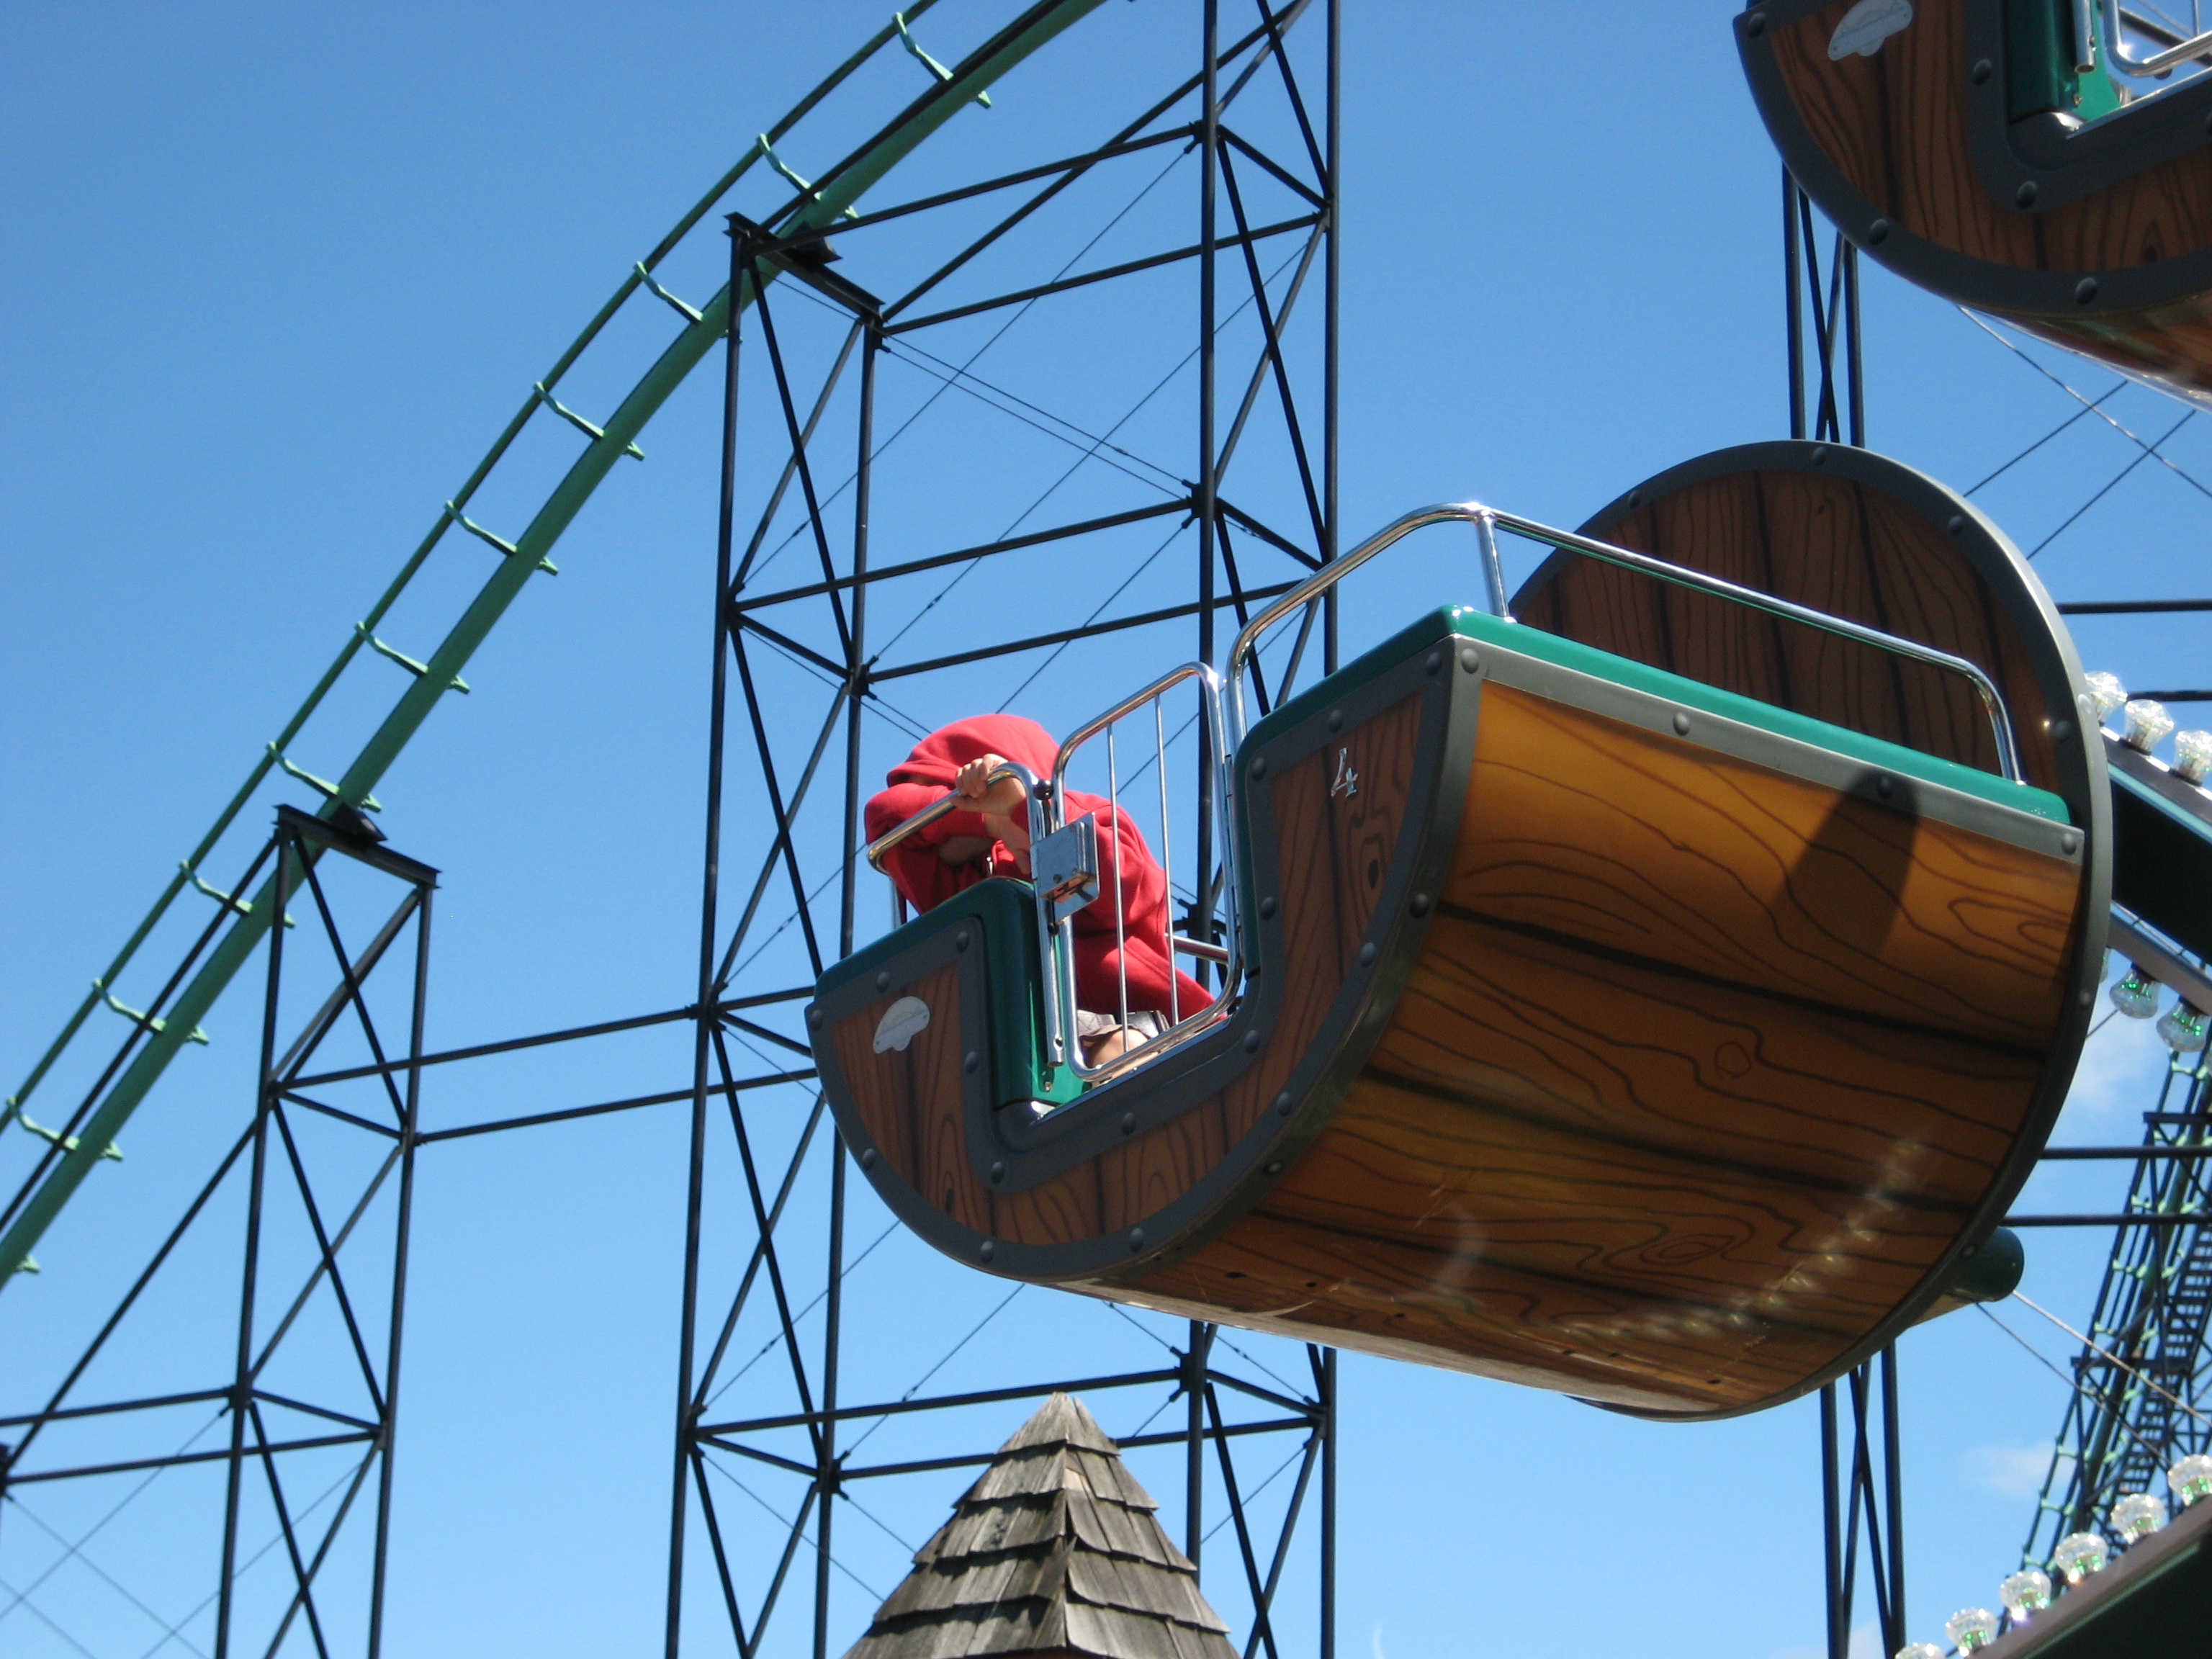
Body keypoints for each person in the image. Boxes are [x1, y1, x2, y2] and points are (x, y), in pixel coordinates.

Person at [865, 714, 1211, 1066]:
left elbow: (1125, 889)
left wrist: (1027, 812)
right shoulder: (965, 884)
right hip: (1020, 1031)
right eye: (938, 804)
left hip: (1128, 1013)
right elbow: (886, 816)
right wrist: (992, 819)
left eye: (952, 795)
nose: (937, 814)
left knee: (1119, 1048)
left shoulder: (1082, 816)